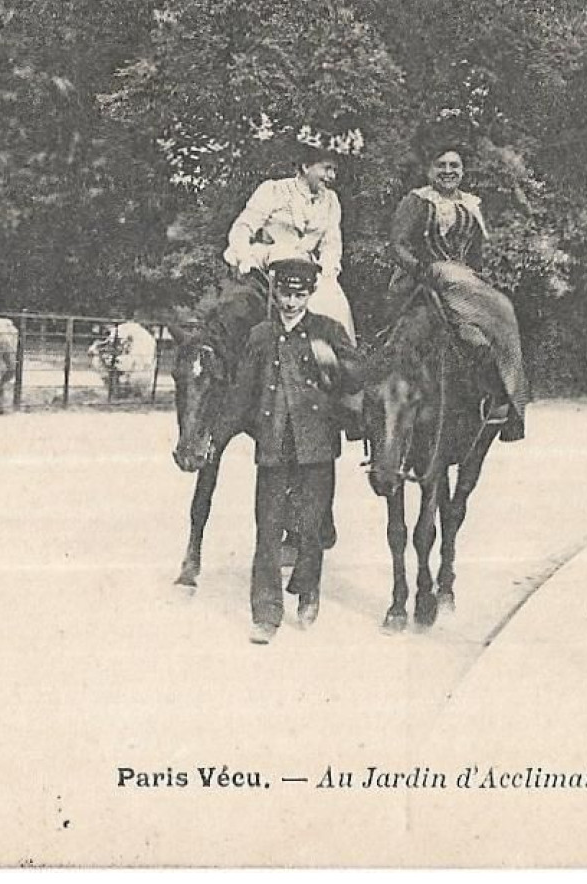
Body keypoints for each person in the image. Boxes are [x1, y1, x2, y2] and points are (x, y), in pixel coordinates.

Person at [211, 255, 364, 644]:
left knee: (311, 530)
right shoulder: (261, 335)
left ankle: (308, 589)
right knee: (267, 530)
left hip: (316, 445)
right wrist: (217, 435)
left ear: (311, 294)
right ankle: (265, 614)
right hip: (275, 444)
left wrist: (334, 362)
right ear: (276, 292)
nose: (291, 302)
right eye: (284, 293)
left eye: (299, 294)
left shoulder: (328, 330)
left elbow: (357, 378)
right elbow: (242, 391)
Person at [388, 146, 528, 442]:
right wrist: (421, 269)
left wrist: (477, 280)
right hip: (421, 280)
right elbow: (398, 245)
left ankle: (505, 399)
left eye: (455, 165)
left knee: (501, 317)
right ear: (428, 169)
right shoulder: (417, 201)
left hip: (463, 283)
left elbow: (475, 253)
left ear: (463, 171)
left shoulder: (471, 204)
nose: (448, 171)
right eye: (441, 165)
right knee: (395, 340)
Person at [224, 142, 357, 341]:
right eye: (327, 169)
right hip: (268, 265)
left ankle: (334, 362)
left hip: (307, 267)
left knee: (334, 302)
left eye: (334, 171)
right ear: (306, 167)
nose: (332, 177)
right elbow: (243, 227)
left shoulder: (331, 200)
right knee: (241, 309)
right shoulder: (273, 190)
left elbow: (332, 243)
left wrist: (328, 272)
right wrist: (245, 260)